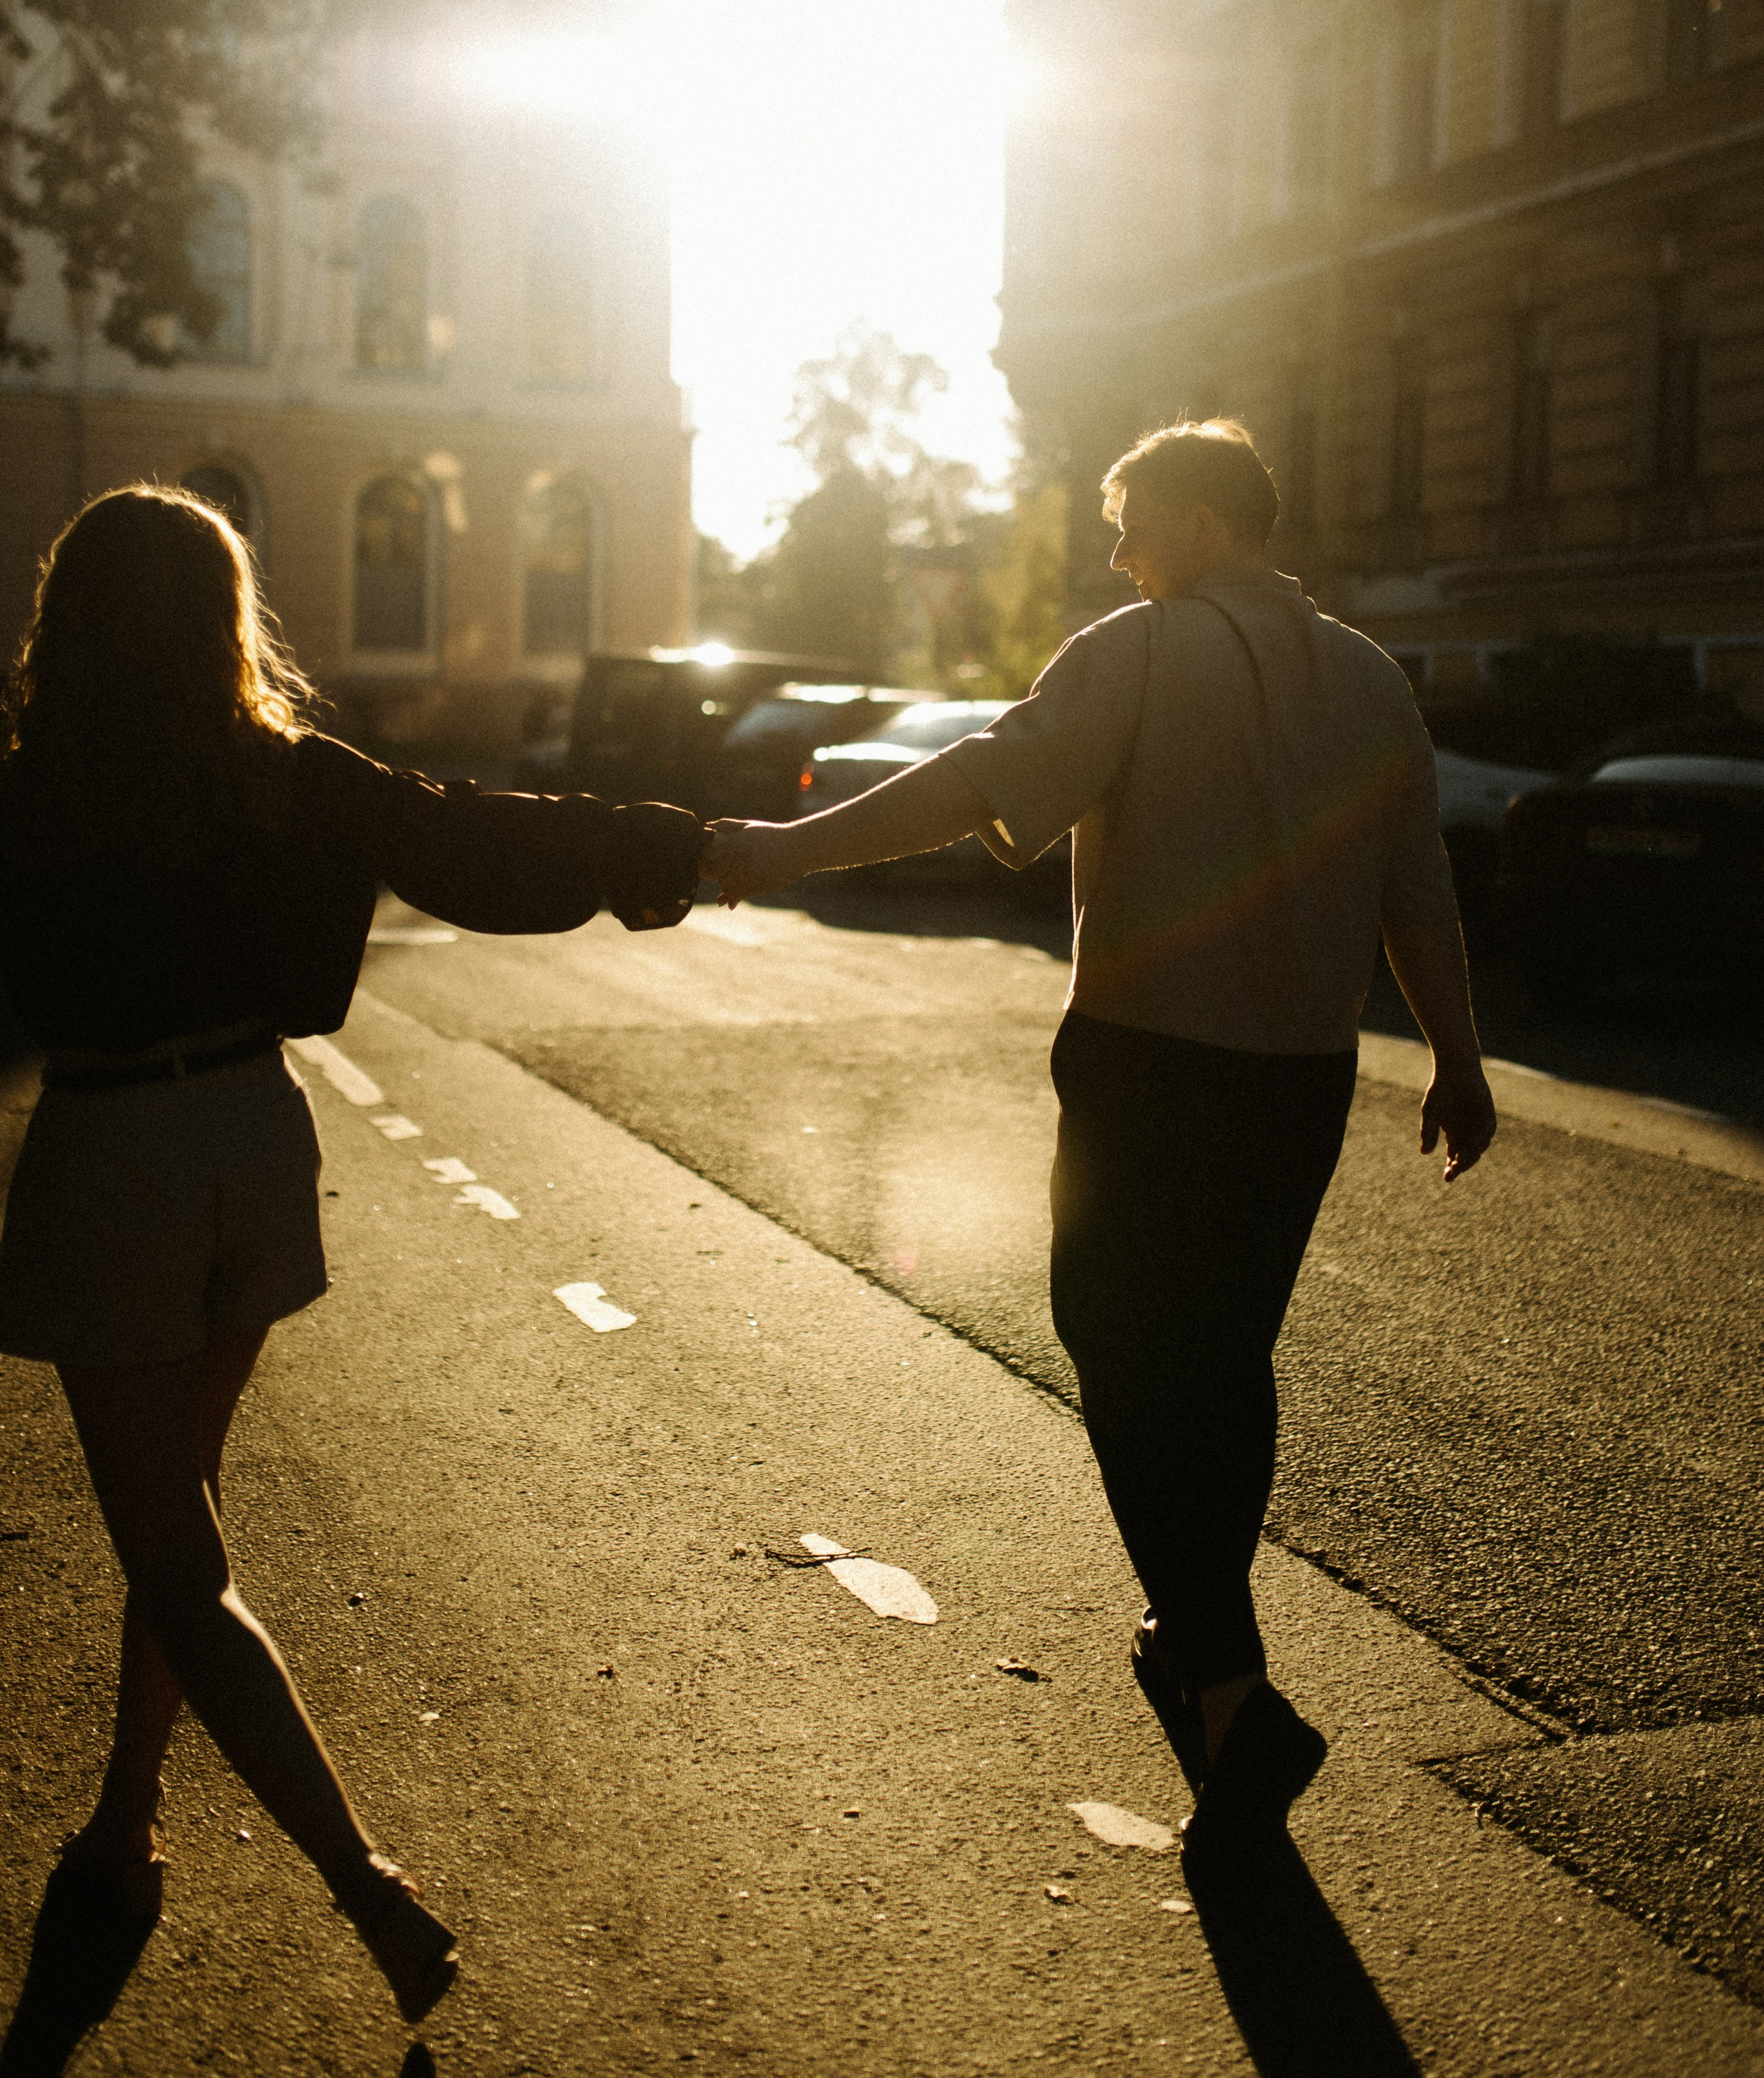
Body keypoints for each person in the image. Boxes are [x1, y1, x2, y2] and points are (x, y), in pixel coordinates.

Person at [704, 419, 1495, 1859]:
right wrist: (1455, 1058)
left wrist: (775, 852)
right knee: (1225, 1356)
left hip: (1147, 1065)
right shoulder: (1375, 679)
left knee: (1119, 1351)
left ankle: (1225, 1678)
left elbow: (973, 782)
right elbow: (1415, 888)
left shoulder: (1138, 650)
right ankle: (1205, 1653)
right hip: (1304, 1076)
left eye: (1130, 526)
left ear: (1196, 523)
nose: (1118, 556)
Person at [0, 486, 704, 2018]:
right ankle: (125, 1824)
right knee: (176, 1528)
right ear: (222, 618)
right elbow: (471, 847)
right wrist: (662, 848)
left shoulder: (29, 794)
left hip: (112, 1156)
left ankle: (363, 1881)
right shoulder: (283, 779)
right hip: (256, 1139)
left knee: (175, 1555)